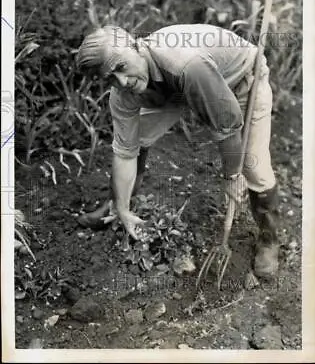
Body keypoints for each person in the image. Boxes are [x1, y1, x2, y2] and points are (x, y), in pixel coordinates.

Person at [76, 23, 280, 279]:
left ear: (137, 46)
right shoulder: (123, 92)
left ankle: (269, 238)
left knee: (253, 167)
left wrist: (232, 176)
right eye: (109, 78)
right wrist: (122, 208)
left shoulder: (186, 64)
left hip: (240, 79)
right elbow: (125, 152)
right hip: (172, 87)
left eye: (121, 67)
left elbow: (226, 125)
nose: (122, 82)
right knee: (137, 139)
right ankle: (118, 207)